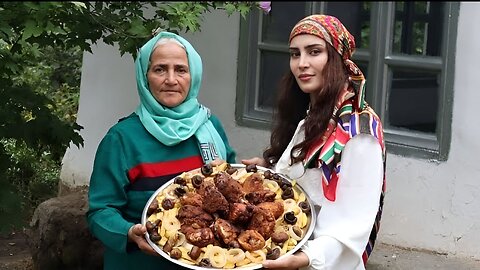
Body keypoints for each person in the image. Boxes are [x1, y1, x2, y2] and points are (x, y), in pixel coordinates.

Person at [242, 14, 386, 270]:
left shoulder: (358, 130)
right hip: (288, 250)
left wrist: (308, 257)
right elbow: (308, 178)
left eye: (314, 52)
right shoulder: (313, 113)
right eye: (295, 54)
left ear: (338, 58)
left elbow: (355, 222)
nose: (302, 64)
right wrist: (268, 168)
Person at [86, 31, 236, 269]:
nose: (171, 79)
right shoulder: (122, 139)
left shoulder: (209, 126)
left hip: (210, 261)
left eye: (181, 70)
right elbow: (99, 212)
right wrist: (128, 232)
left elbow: (232, 184)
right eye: (159, 69)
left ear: (193, 75)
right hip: (142, 262)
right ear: (145, 77)